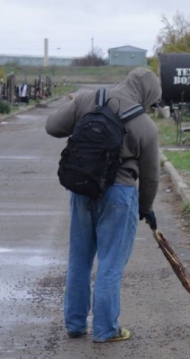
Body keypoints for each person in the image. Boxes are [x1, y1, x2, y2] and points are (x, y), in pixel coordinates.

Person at [45, 68, 162, 343]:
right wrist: (145, 207)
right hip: (120, 196)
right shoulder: (145, 125)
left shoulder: (87, 99)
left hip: (83, 189)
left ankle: (75, 324)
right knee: (110, 263)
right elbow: (151, 176)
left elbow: (52, 127)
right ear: (147, 94)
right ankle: (106, 330)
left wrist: (75, 110)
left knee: (80, 259)